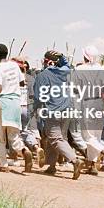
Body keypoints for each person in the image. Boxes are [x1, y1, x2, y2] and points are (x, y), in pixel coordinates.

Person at [33, 50, 83, 179]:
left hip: (53, 111)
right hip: (67, 109)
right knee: (58, 138)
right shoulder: (64, 71)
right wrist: (61, 56)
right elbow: (66, 63)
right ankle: (52, 166)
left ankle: (74, 160)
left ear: (46, 62)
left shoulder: (42, 75)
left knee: (55, 138)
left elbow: (38, 98)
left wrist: (35, 111)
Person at [0, 43, 33, 172]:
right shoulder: (15, 66)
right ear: (7, 54)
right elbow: (22, 82)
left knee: (0, 137)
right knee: (14, 135)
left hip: (4, 102)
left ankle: (3, 165)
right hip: (16, 102)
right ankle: (24, 150)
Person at [71, 46, 104, 175]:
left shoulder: (79, 69)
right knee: (96, 136)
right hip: (100, 102)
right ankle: (92, 166)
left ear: (85, 57)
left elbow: (74, 89)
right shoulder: (103, 69)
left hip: (87, 102)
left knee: (88, 137)